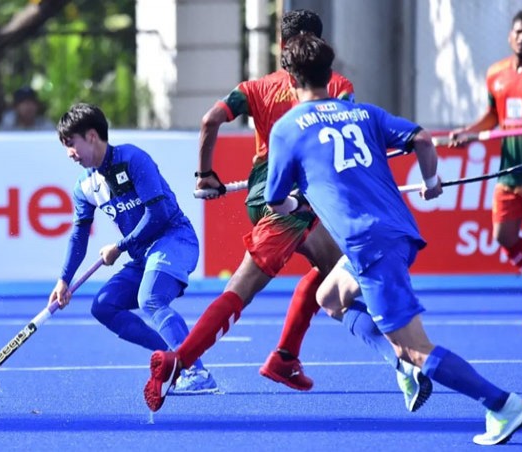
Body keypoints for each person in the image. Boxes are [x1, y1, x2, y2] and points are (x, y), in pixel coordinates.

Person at [264, 33, 522, 446]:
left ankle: (501, 404)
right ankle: (401, 363)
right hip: (396, 233)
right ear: (330, 75)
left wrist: (300, 201)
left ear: (288, 79)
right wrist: (430, 180)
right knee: (329, 297)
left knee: (417, 348)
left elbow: (277, 203)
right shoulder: (363, 113)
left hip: (369, 246)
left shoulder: (286, 130)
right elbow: (422, 139)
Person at [144, 9, 363, 413]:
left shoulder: (254, 87)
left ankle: (285, 358)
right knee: (243, 290)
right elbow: (346, 129)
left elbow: (210, 121)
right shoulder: (335, 84)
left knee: (334, 270)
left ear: (283, 46)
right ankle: (178, 361)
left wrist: (205, 174)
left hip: (267, 197)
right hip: (292, 204)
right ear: (320, 46)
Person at [50, 103, 218, 394]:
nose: (69, 154)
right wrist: (64, 278)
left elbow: (159, 215)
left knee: (150, 298)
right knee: (104, 306)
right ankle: (174, 359)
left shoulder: (133, 159)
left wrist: (120, 246)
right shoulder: (85, 186)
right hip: (143, 255)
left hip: (175, 240)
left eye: (71, 144)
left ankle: (197, 372)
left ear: (91, 136)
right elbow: (79, 233)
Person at [449, 10, 522, 328]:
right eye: (520, 32)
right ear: (510, 35)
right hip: (510, 172)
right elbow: (492, 117)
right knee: (504, 235)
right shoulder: (496, 73)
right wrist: (469, 131)